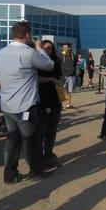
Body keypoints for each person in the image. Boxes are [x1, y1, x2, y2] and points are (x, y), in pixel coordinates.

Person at [0, 22, 54, 184]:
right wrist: (39, 47)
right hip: (26, 105)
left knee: (12, 140)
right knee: (31, 139)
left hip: (7, 106)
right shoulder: (28, 53)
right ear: (27, 35)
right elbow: (49, 65)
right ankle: (35, 170)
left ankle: (10, 174)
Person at [38, 40, 63, 168]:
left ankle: (49, 156)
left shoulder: (56, 62)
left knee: (51, 131)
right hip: (41, 102)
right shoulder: (36, 62)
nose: (48, 51)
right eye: (45, 48)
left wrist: (61, 98)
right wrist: (51, 79)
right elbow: (35, 79)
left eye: (50, 49)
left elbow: (60, 80)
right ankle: (38, 159)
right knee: (40, 131)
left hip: (55, 100)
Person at [61, 43, 76, 108]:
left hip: (71, 76)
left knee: (70, 91)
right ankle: (60, 104)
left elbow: (75, 65)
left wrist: (73, 72)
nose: (64, 48)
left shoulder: (74, 56)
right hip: (63, 76)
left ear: (69, 48)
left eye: (65, 47)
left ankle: (69, 104)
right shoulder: (61, 55)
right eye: (63, 47)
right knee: (62, 90)